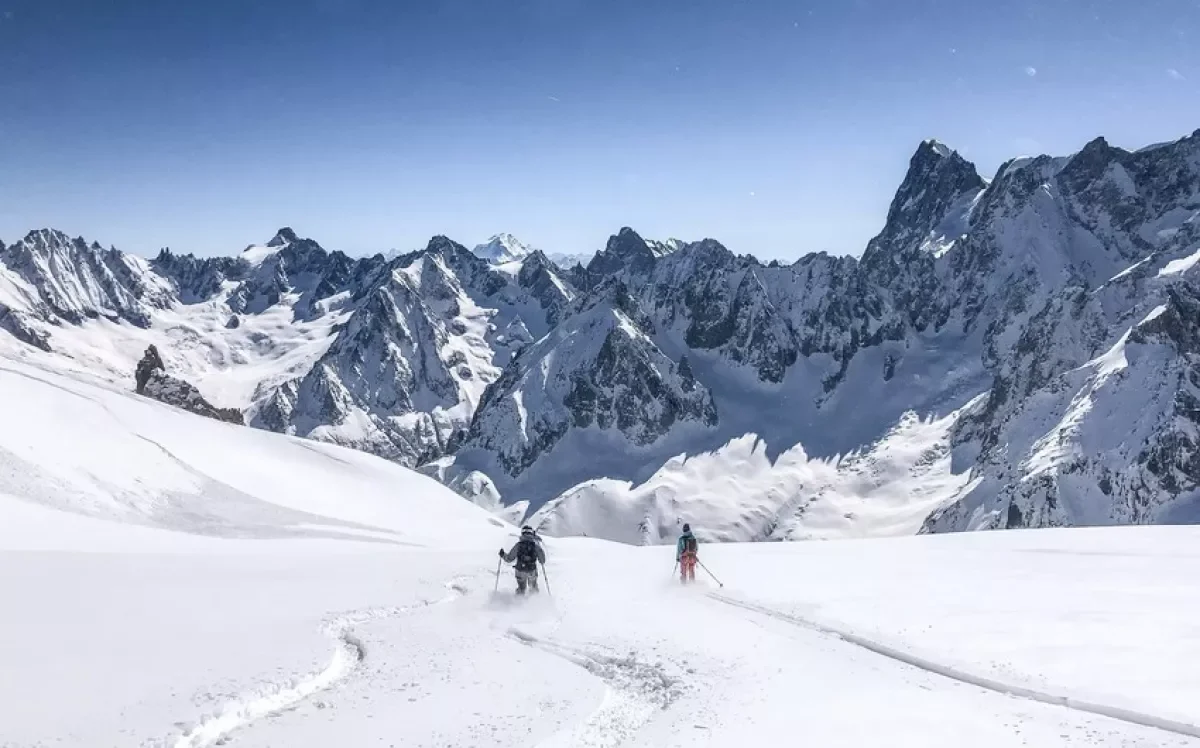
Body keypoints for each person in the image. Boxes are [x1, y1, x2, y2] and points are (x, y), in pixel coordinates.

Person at [499, 525, 546, 595]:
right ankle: (535, 602)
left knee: (521, 589)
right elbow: (542, 561)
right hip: (532, 570)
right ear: (531, 533)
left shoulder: (518, 545)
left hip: (520, 570)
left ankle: (519, 603)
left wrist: (502, 555)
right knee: (533, 587)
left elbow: (509, 559)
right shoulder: (535, 546)